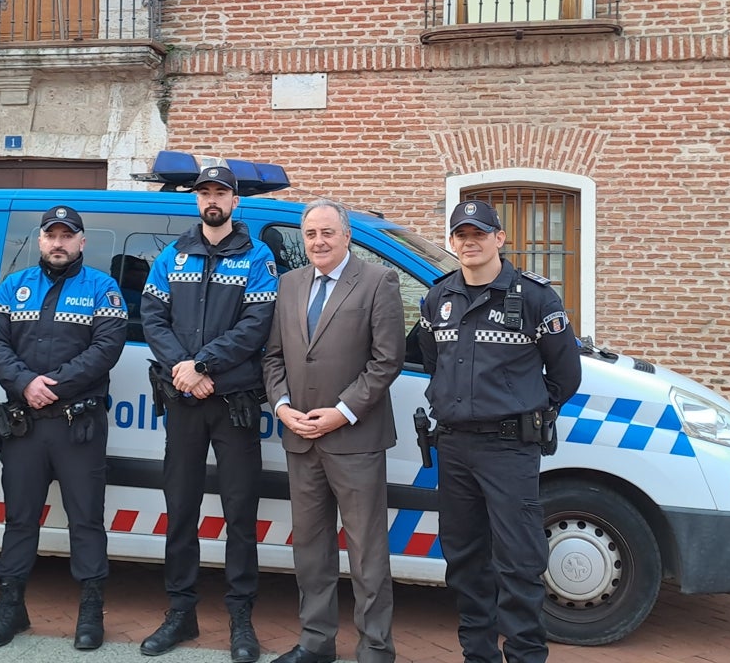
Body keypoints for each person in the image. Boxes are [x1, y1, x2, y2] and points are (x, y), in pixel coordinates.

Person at [418, 200, 582, 663]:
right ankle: (479, 655)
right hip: (454, 446)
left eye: (479, 234)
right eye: (461, 235)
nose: (470, 243)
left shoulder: (534, 298)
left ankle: (526, 655)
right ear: (453, 242)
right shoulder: (438, 299)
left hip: (510, 447)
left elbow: (565, 376)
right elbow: (434, 362)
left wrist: (519, 407)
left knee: (519, 562)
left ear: (499, 239)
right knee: (466, 560)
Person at [139, 165, 279, 662]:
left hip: (233, 403)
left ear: (235, 201)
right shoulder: (173, 255)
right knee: (181, 509)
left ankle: (241, 618)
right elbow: (152, 315)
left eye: (221, 192)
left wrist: (202, 364)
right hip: (183, 403)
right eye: (205, 193)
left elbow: (257, 323)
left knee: (240, 514)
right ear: (196, 201)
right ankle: (181, 612)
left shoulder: (258, 257)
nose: (212, 200)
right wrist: (182, 368)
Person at [0, 205, 128, 651]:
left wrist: (53, 386)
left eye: (68, 236)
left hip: (77, 425)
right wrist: (24, 383)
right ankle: (10, 610)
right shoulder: (13, 287)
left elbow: (107, 346)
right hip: (24, 427)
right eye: (51, 236)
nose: (58, 243)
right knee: (19, 520)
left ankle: (89, 613)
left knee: (86, 520)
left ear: (82, 242)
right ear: (41, 241)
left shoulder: (103, 288)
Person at [263, 199, 405, 663]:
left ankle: (375, 648)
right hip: (300, 436)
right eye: (310, 235)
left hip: (355, 439)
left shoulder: (378, 281)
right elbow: (274, 357)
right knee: (310, 550)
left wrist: (341, 412)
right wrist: (282, 407)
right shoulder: (289, 283)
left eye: (327, 233)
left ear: (346, 236)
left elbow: (387, 361)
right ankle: (315, 643)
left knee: (367, 554)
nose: (318, 242)